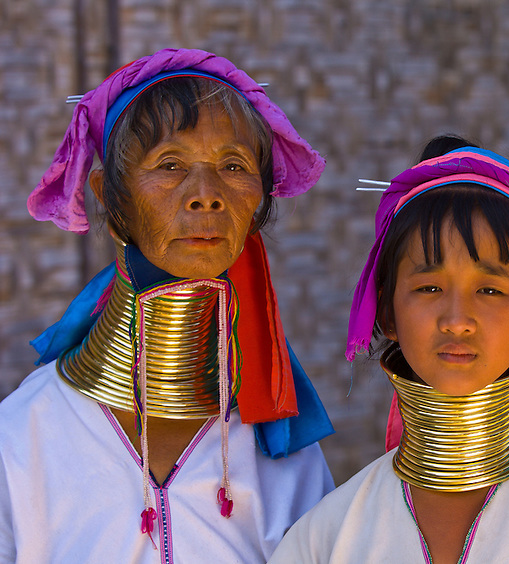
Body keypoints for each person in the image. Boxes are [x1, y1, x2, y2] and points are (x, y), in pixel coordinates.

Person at [0, 48, 335, 562]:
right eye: (170, 164)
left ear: (259, 199)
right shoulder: (24, 436)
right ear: (109, 197)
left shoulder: (285, 450)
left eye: (233, 165)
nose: (206, 194)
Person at [269, 137, 509, 563]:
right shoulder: (325, 538)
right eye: (429, 288)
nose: (457, 319)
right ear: (387, 310)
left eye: (489, 290)